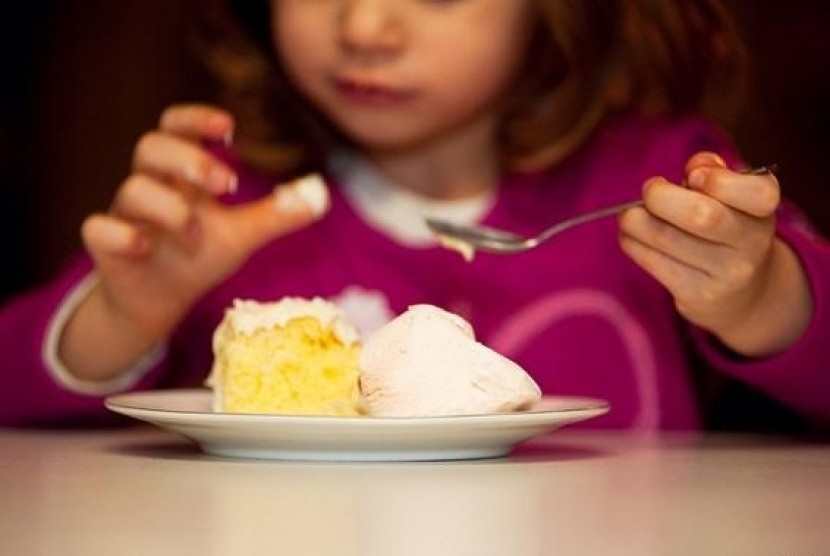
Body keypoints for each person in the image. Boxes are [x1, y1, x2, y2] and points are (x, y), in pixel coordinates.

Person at [1, 0, 828, 429]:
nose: (364, 26)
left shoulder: (659, 181)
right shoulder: (223, 203)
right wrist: (120, 315)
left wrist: (761, 299)